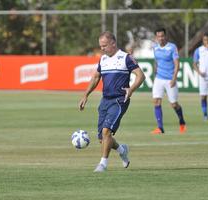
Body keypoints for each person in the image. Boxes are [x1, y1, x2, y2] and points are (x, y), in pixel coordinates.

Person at [79, 31, 145, 172]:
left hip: (120, 100)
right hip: (105, 101)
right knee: (102, 139)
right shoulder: (103, 60)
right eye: (100, 46)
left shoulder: (126, 58)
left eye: (104, 45)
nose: (102, 48)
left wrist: (131, 89)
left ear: (113, 43)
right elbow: (96, 78)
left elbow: (141, 76)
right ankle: (122, 150)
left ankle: (103, 164)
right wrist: (86, 95)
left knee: (106, 131)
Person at [151, 28, 186, 134]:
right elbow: (156, 62)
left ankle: (182, 121)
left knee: (174, 104)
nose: (160, 38)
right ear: (156, 37)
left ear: (166, 36)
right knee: (156, 101)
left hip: (170, 79)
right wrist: (155, 74)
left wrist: (174, 78)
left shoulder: (172, 47)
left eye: (162, 36)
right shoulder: (155, 48)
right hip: (159, 78)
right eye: (158, 36)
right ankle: (160, 128)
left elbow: (177, 64)